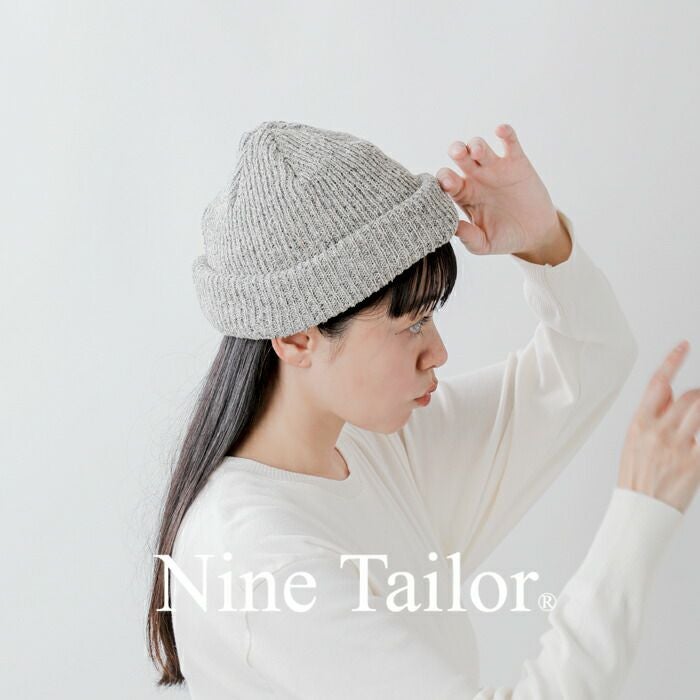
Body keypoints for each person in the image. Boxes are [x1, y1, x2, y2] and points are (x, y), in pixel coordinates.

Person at [146, 120, 699, 698]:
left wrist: (542, 242)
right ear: (296, 337)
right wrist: (637, 521)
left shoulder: (371, 448)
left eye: (431, 315)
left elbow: (589, 363)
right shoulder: (259, 562)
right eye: (411, 323)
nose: (438, 352)